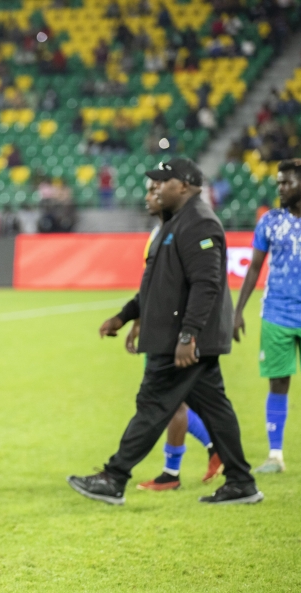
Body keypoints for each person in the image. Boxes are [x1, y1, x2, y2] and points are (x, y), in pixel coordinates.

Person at [68, 158, 261, 505]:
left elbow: (207, 284)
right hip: (179, 337)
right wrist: (125, 316)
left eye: (162, 181)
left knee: (153, 404)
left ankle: (114, 478)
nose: (154, 188)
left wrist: (188, 336)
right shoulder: (174, 224)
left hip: (181, 341)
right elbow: (157, 287)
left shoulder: (199, 223)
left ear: (185, 185)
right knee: (215, 408)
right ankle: (242, 482)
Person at [125, 178, 223, 491]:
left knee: (170, 403)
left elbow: (195, 284)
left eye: (155, 192)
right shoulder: (161, 233)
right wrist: (137, 321)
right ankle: (214, 447)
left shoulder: (180, 232)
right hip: (163, 330)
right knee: (178, 401)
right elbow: (153, 288)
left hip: (173, 333)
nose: (149, 197)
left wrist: (185, 333)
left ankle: (171, 473)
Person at [233, 158, 301, 474]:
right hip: (276, 312)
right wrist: (237, 311)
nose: (280, 188)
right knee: (277, 383)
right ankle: (275, 456)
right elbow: (254, 268)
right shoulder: (270, 221)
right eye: (278, 183)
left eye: (286, 183)